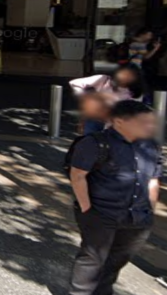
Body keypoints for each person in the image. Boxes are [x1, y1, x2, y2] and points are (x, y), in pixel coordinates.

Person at [68, 100, 160, 295]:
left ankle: (103, 291)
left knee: (119, 257)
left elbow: (153, 179)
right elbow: (78, 175)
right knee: (93, 258)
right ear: (119, 121)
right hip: (102, 212)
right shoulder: (95, 143)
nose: (149, 126)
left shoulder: (150, 146)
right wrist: (86, 208)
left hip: (138, 216)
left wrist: (150, 209)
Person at [70, 65, 147, 104]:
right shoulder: (104, 79)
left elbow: (133, 111)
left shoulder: (136, 91)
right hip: (96, 119)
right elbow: (74, 83)